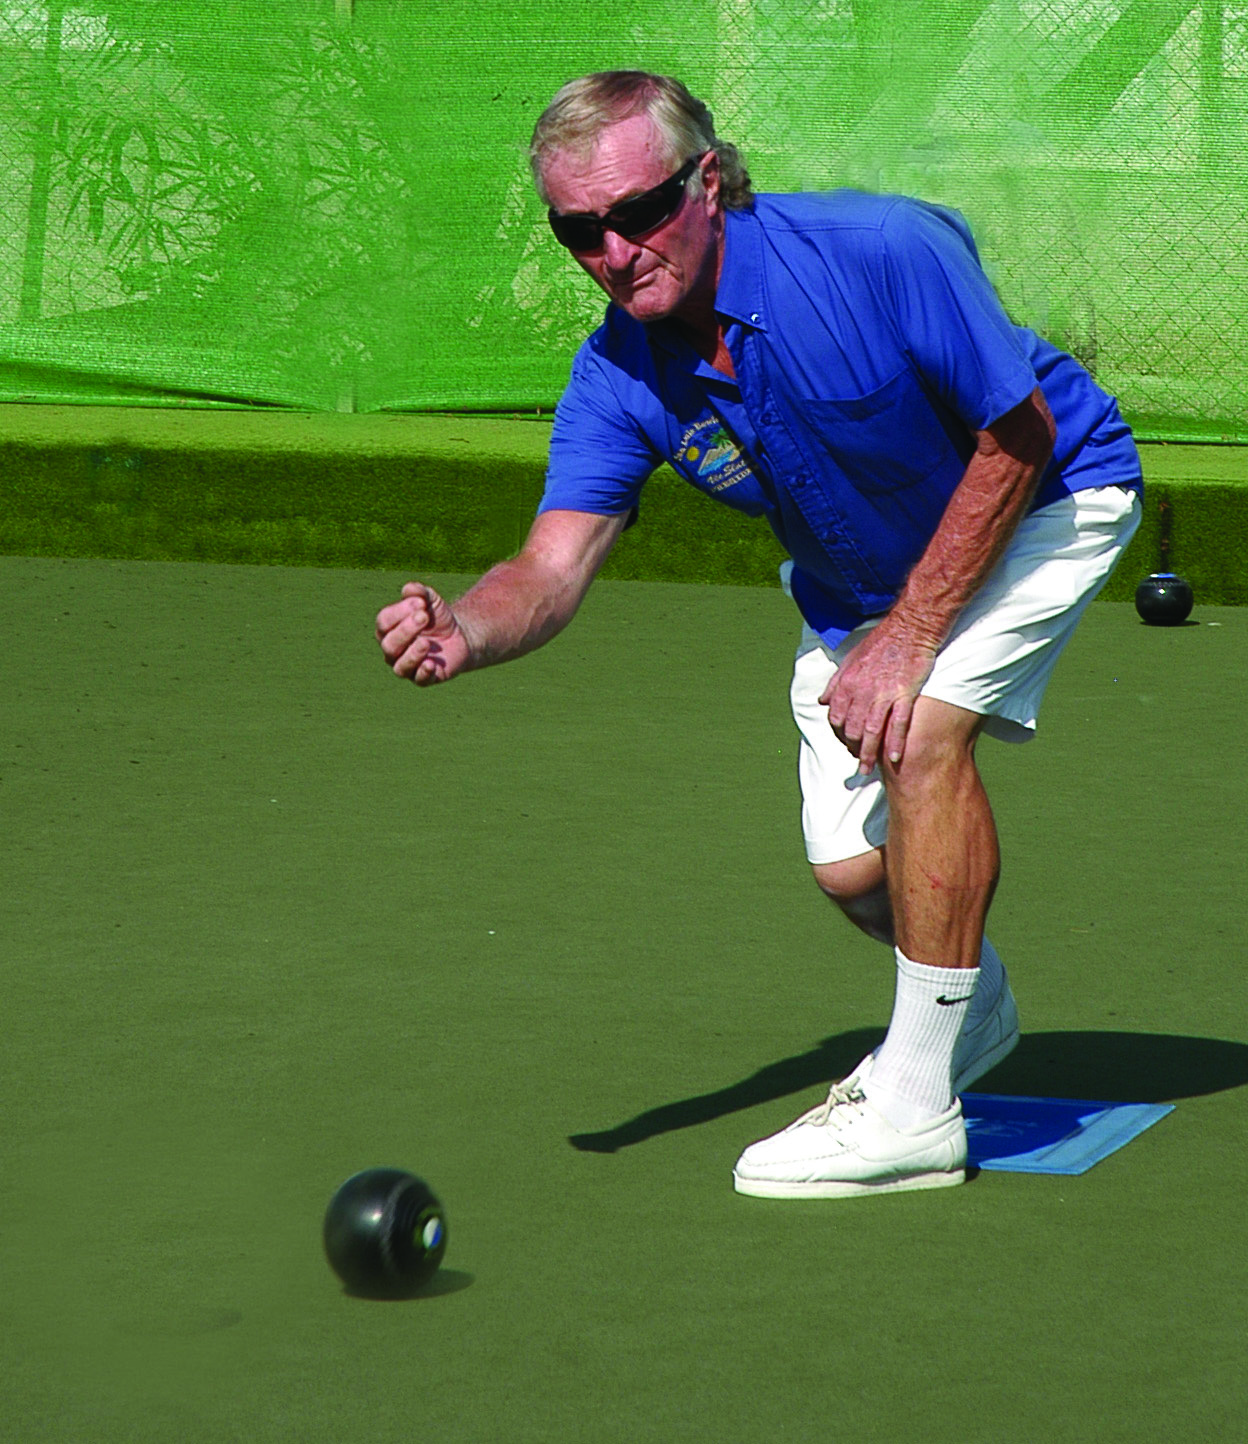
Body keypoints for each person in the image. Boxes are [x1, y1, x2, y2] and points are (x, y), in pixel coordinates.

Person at [376, 71, 1142, 1199]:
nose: (613, 248)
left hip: (1048, 498)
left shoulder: (882, 250)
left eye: (638, 212)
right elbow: (550, 564)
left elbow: (1016, 436)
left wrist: (912, 636)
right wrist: (467, 631)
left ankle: (916, 1107)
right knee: (848, 872)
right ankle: (969, 1008)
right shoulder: (619, 372)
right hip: (865, 585)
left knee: (924, 731)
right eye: (578, 229)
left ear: (710, 179)